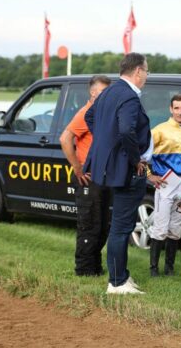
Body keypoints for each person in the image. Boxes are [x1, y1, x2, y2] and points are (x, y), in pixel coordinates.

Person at [84, 53, 151, 294]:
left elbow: (90, 117)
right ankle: (117, 282)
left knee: (119, 225)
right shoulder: (129, 96)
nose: (146, 75)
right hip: (126, 169)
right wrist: (135, 160)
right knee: (121, 227)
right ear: (138, 71)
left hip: (109, 166)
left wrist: (105, 140)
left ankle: (120, 276)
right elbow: (125, 130)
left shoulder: (109, 92)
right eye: (146, 71)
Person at [60, 75, 111, 277]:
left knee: (101, 225)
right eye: (104, 91)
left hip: (103, 177)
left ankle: (95, 267)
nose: (107, 95)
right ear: (93, 92)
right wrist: (77, 168)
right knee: (89, 225)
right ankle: (84, 270)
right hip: (88, 178)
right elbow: (65, 139)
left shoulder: (100, 113)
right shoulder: (85, 113)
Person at [146, 94, 181, 277]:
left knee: (176, 229)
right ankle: (153, 270)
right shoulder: (159, 130)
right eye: (176, 108)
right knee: (160, 228)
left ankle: (169, 268)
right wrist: (150, 175)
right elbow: (142, 154)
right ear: (170, 109)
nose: (180, 112)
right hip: (165, 185)